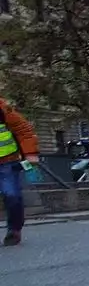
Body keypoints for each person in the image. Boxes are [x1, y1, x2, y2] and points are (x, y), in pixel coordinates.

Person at [0, 96, 39, 247]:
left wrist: (30, 154)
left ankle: (14, 230)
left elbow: (23, 129)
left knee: (12, 196)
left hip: (7, 163)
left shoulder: (3, 109)